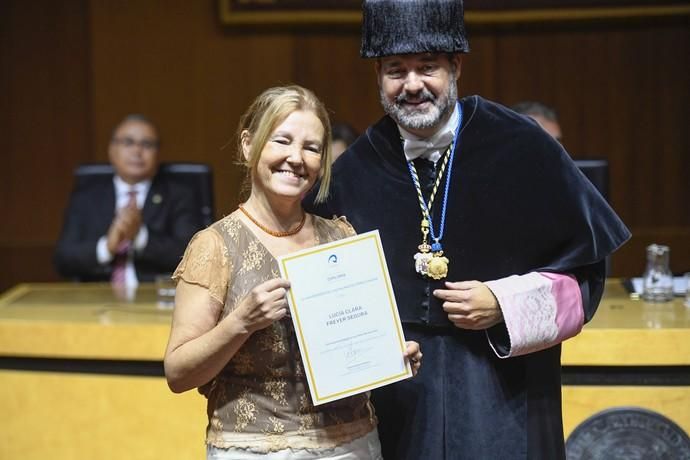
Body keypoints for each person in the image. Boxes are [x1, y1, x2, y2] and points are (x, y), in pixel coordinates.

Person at [303, 1, 631, 459]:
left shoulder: (521, 145)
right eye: (396, 70)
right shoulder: (355, 169)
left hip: (501, 394)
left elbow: (586, 279)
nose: (412, 85)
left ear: (455, 66)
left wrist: (504, 303)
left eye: (428, 68)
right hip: (398, 403)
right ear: (378, 74)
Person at [163, 85, 422, 460]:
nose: (296, 158)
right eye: (281, 141)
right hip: (255, 450)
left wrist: (391, 358)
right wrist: (241, 322)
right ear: (248, 145)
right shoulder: (215, 245)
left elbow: (357, 343)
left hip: (354, 443)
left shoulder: (341, 236)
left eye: (312, 147)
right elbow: (178, 374)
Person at [54, 114, 203, 285]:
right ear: (111, 149)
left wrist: (140, 237)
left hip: (154, 296)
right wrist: (106, 247)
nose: (137, 151)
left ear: (158, 153)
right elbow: (63, 260)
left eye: (147, 144)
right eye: (128, 142)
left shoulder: (179, 195)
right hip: (98, 298)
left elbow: (193, 257)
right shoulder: (87, 196)